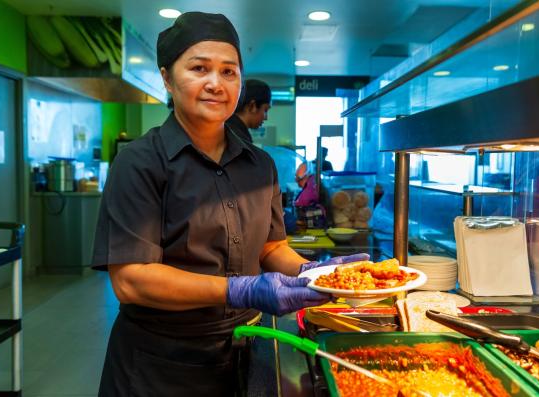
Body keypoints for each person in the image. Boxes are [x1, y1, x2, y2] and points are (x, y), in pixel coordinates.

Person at [90, 12, 368, 397]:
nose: (215, 84)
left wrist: (315, 273)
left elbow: (271, 247)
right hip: (160, 366)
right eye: (199, 68)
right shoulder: (139, 163)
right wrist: (240, 289)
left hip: (243, 355)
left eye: (229, 71)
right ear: (167, 78)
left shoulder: (259, 165)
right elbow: (131, 280)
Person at [226, 79, 272, 143]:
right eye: (265, 110)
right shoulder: (239, 139)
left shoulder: (229, 127)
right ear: (252, 106)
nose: (266, 118)